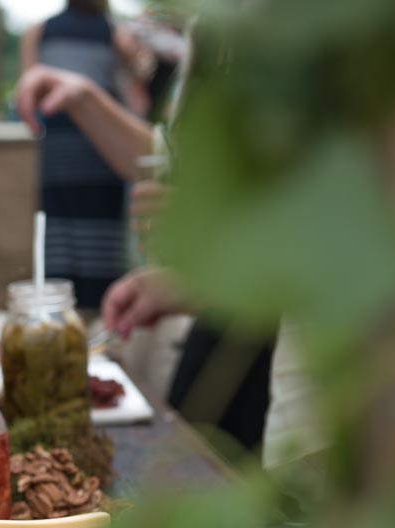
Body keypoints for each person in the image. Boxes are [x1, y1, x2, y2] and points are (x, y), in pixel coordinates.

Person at [19, 58, 279, 458]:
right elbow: (175, 165)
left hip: (288, 363)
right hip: (225, 327)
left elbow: (328, 221)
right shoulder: (213, 33)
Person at [20, 0, 153, 310]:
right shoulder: (114, 33)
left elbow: (27, 86)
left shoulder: (40, 31)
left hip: (70, 145)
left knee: (61, 232)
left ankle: (70, 310)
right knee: (96, 236)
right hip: (95, 149)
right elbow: (140, 77)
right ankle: (95, 309)